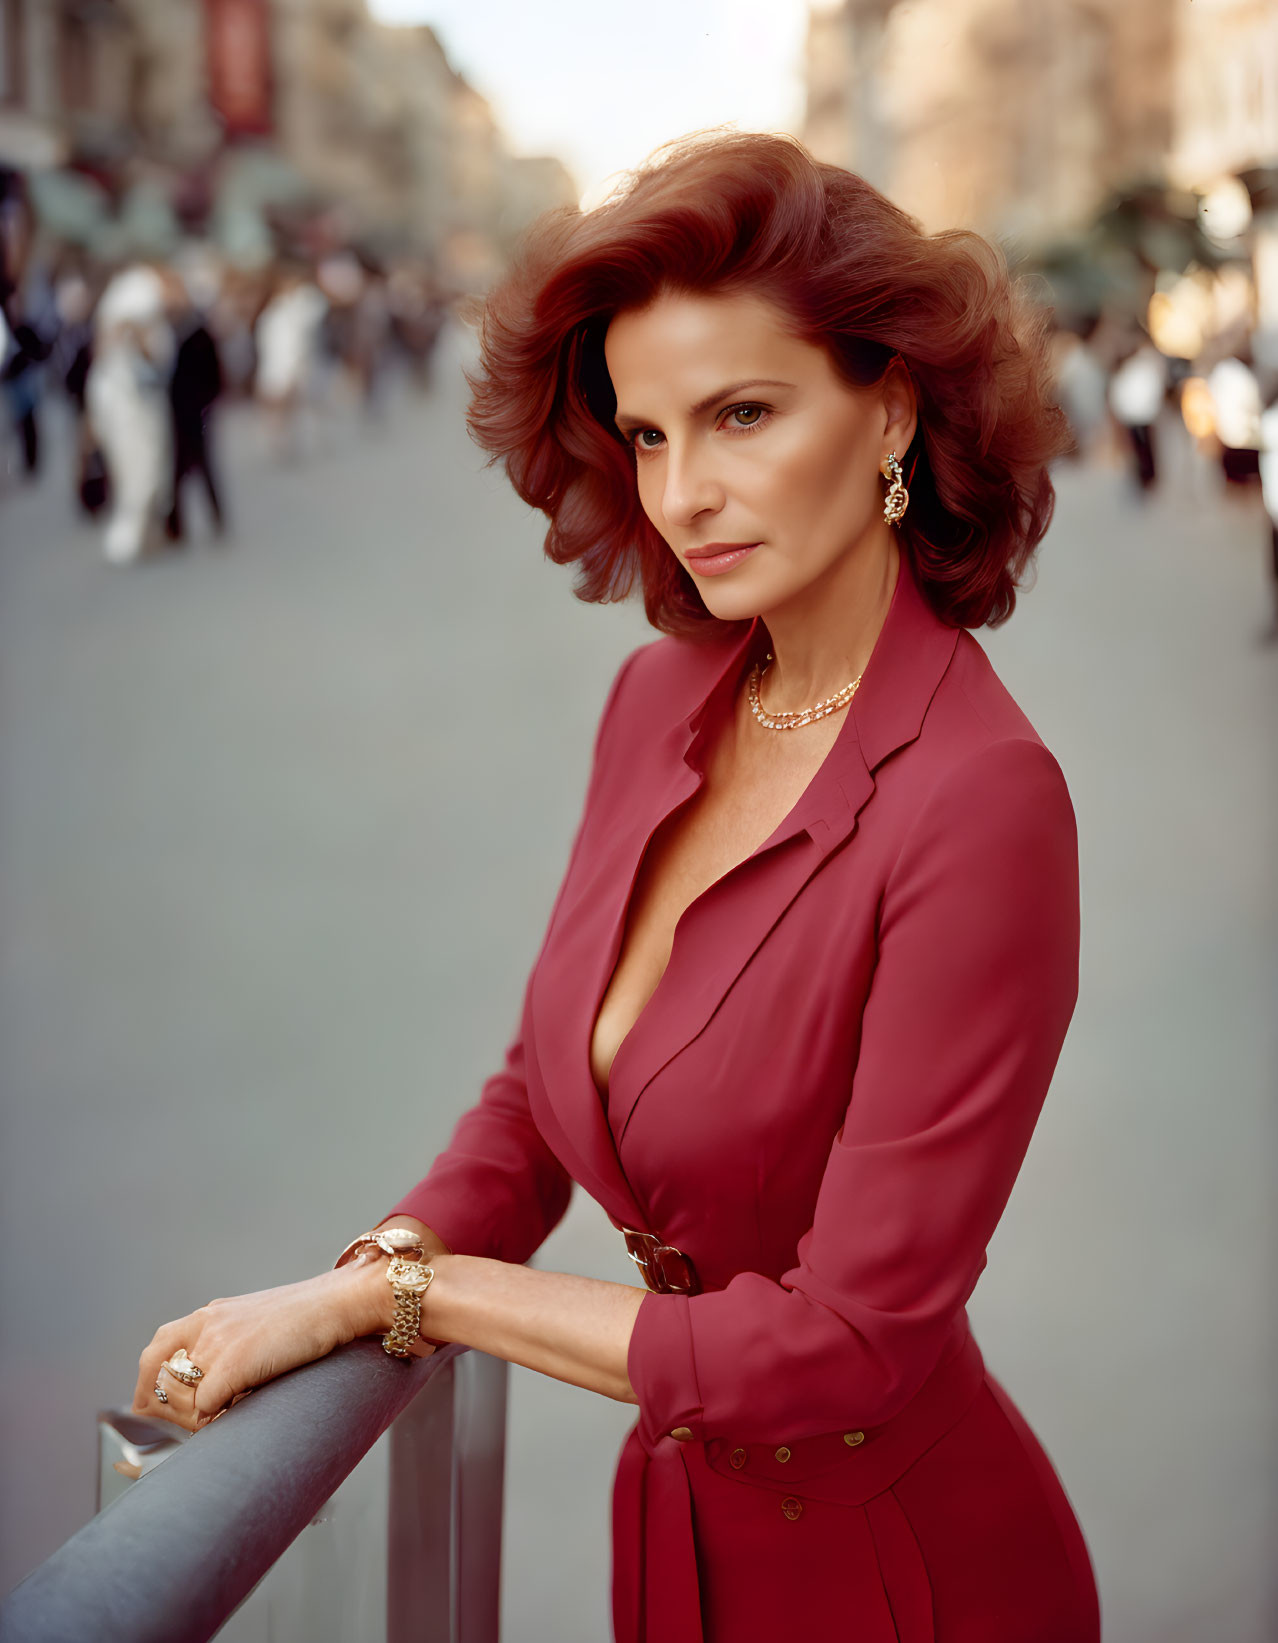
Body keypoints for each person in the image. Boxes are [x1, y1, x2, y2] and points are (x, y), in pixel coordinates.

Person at [133, 131, 1098, 1642]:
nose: (684, 491)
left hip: (895, 1572)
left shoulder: (981, 802)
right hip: (669, 1530)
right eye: (646, 435)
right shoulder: (661, 698)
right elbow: (541, 1092)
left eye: (740, 414)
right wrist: (377, 1261)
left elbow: (846, 1344)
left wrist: (412, 1301)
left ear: (890, 406)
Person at [85, 264, 175, 565]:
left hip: (145, 408)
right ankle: (134, 534)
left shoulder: (153, 331)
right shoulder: (109, 364)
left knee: (151, 471)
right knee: (131, 472)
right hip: (124, 410)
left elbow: (158, 362)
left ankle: (148, 531)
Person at [1107, 331, 1167, 494]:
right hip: (1139, 415)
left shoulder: (1141, 365)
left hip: (1139, 415)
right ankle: (1146, 476)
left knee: (1143, 447)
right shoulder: (1140, 366)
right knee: (1143, 447)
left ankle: (1147, 476)